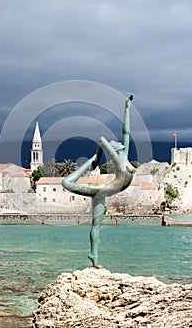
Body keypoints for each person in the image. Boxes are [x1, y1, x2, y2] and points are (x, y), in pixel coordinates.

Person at [62, 94, 135, 268]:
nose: (116, 143)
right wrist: (96, 159)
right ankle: (88, 163)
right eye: (114, 144)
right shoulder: (117, 159)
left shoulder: (124, 156)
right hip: (103, 189)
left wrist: (127, 108)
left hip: (107, 189)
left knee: (97, 225)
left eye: (116, 143)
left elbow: (126, 131)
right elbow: (102, 140)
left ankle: (93, 254)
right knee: (66, 183)